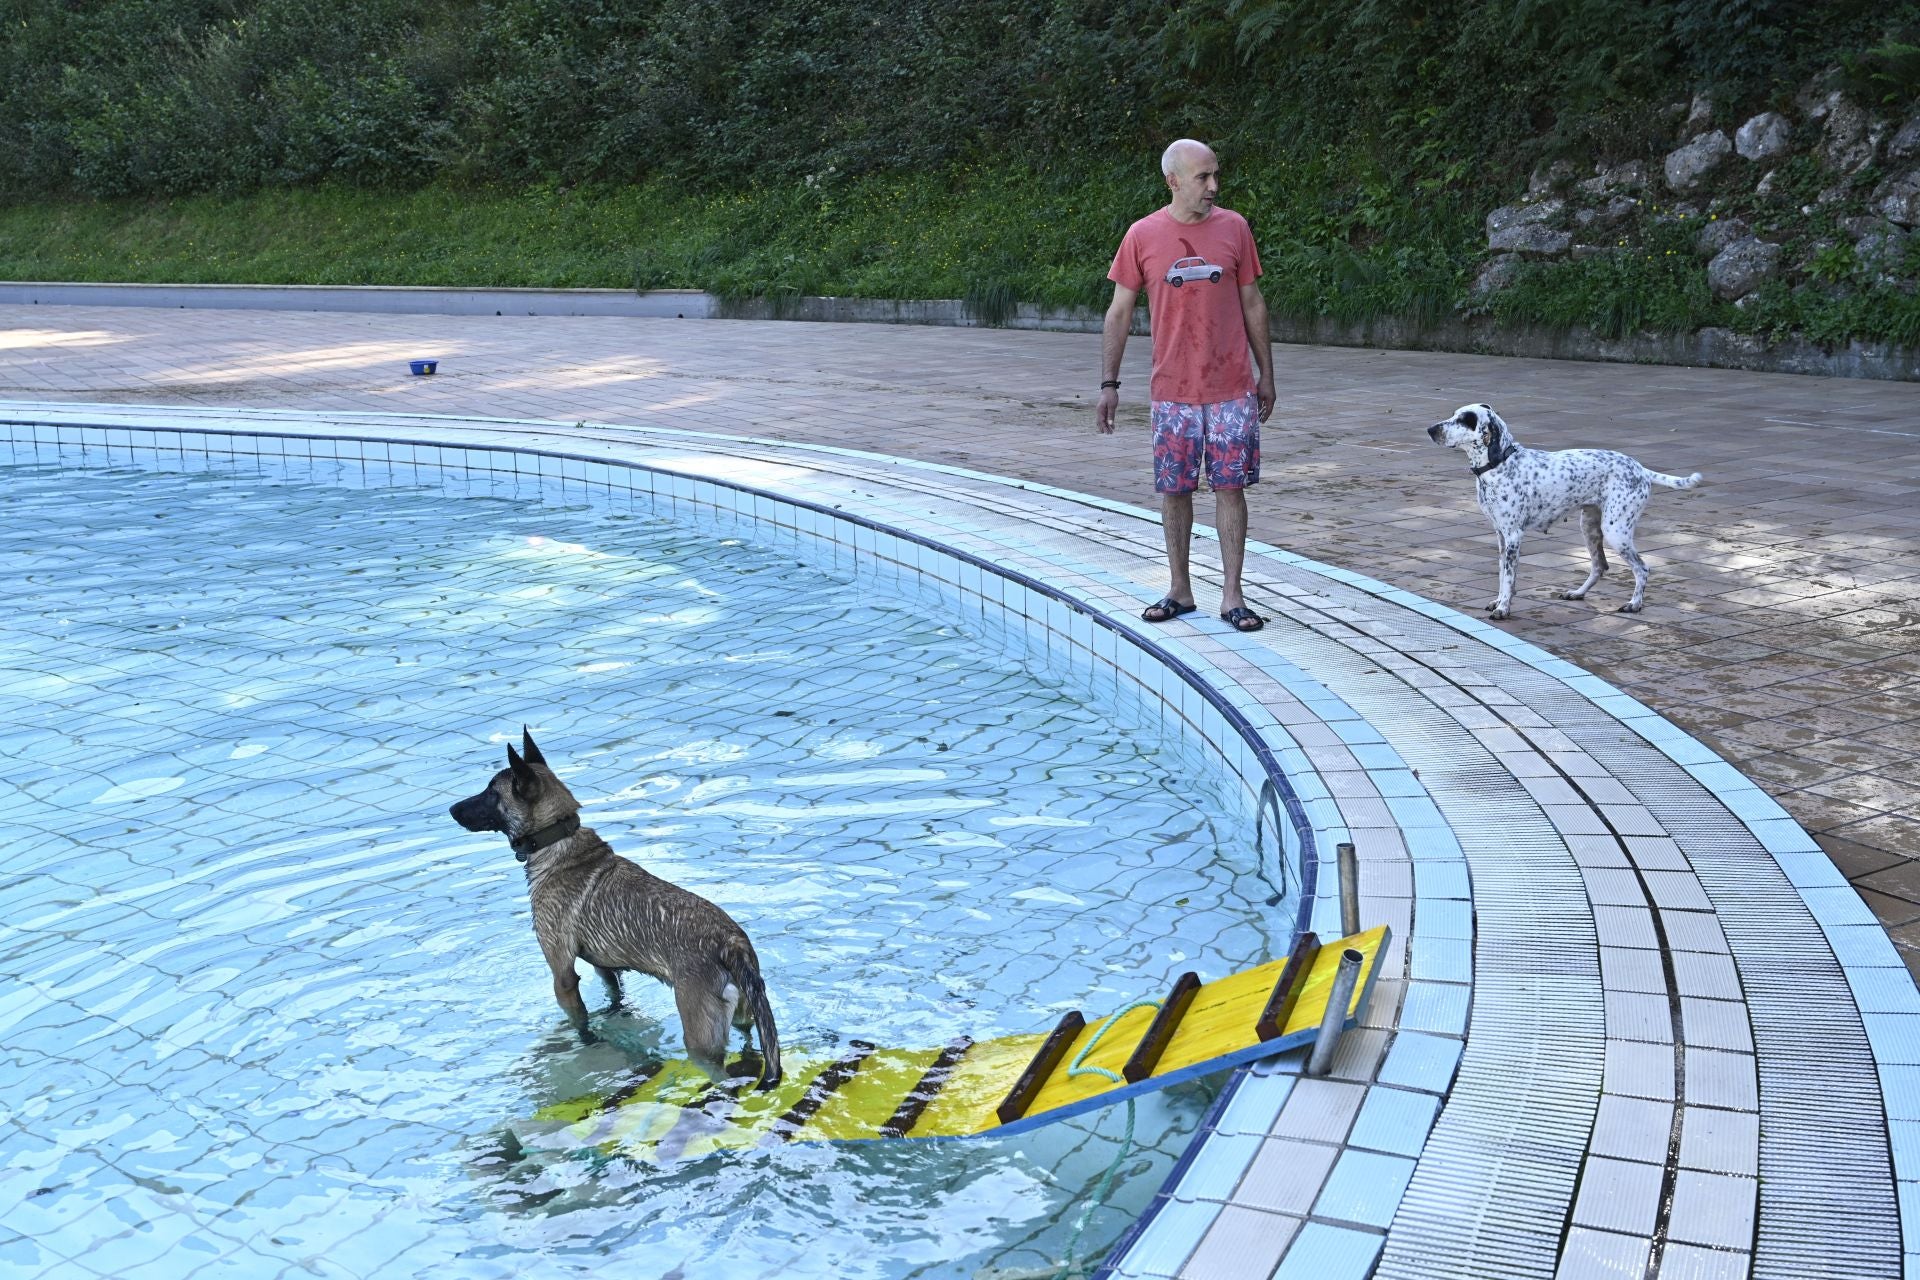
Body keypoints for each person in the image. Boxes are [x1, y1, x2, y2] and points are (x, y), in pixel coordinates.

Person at [1096, 138, 1275, 633]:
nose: (1214, 186)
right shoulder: (1142, 235)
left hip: (1232, 387)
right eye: (1203, 177)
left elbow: (1253, 303)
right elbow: (1119, 311)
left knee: (1231, 488)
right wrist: (1109, 383)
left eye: (1216, 175)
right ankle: (1180, 588)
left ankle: (1233, 595)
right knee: (1175, 491)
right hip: (1172, 392)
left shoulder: (1235, 229)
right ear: (1173, 180)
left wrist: (1267, 374)